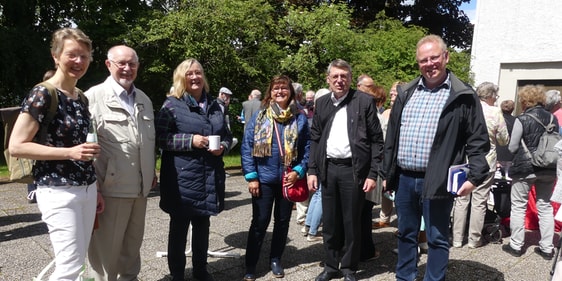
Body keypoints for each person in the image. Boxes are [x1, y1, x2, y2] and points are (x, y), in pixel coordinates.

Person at [383, 34, 490, 281]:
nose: (429, 64)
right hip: (405, 178)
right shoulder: (407, 92)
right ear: (418, 63)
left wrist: (475, 176)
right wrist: (387, 173)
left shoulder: (463, 95)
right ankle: (405, 277)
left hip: (439, 180)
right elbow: (392, 137)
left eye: (434, 58)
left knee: (437, 237)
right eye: (423, 60)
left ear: (446, 57)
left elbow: (478, 140)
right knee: (405, 234)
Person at [8, 27, 102, 281]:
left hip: (86, 189)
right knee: (69, 267)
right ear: (56, 56)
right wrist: (70, 152)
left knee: (77, 264)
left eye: (84, 56)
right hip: (58, 191)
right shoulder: (43, 94)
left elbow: (83, 151)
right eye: (72, 55)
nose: (79, 62)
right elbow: (17, 146)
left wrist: (95, 188)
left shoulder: (79, 97)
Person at [155, 58, 232, 281]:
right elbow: (161, 139)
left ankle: (201, 271)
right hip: (182, 178)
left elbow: (226, 135)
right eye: (189, 74)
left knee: (203, 226)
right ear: (181, 78)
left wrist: (224, 148)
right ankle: (177, 274)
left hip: (209, 174)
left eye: (198, 73)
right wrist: (190, 141)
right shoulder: (172, 104)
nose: (195, 77)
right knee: (178, 229)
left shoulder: (217, 105)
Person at [85, 45, 157, 281]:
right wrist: (93, 188)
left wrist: (151, 171)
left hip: (140, 190)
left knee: (132, 250)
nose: (127, 69)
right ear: (108, 65)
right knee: (106, 254)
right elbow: (84, 149)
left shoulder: (144, 99)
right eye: (121, 63)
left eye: (132, 64)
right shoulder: (92, 98)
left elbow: (147, 142)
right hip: (109, 191)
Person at [308, 59, 384, 281]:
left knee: (352, 222)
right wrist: (312, 170)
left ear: (351, 78)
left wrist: (372, 174)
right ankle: (331, 266)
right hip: (328, 168)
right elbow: (315, 138)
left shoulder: (364, 101)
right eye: (335, 76)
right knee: (330, 222)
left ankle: (349, 268)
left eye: (344, 76)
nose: (340, 80)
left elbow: (377, 141)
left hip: (354, 171)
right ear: (328, 79)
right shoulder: (321, 103)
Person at [241, 75, 310, 281]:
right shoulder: (260, 116)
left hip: (288, 179)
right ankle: (251, 264)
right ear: (270, 92)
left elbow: (307, 148)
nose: (279, 92)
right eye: (275, 89)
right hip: (263, 178)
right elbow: (247, 146)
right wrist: (251, 176)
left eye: (284, 88)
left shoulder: (300, 117)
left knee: (282, 222)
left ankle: (275, 259)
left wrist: (298, 170)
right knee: (260, 222)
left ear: (290, 92)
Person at [503, 85, 558, 260]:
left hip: (525, 168)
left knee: (519, 206)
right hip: (548, 167)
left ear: (525, 100)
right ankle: (547, 248)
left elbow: (512, 147)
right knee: (545, 206)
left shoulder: (522, 119)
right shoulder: (552, 118)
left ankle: (516, 245)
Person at [452, 82, 509, 249]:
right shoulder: (495, 112)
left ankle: (456, 238)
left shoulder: (466, 108)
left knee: (461, 199)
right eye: (496, 96)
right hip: (486, 161)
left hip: (465, 160)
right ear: (491, 96)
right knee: (479, 201)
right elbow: (504, 140)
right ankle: (474, 239)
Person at [359, 82, 387, 262]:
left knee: (363, 212)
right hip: (371, 171)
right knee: (364, 212)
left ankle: (365, 249)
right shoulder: (377, 118)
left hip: (371, 171)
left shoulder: (376, 118)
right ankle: (366, 250)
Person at [26, 69, 57, 204]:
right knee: (36, 165)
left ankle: (33, 189)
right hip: (42, 146)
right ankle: (33, 190)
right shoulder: (40, 97)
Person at [497, 100, 516, 170]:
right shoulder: (516, 121)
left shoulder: (497, 119)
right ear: (513, 109)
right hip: (511, 153)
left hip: (498, 152)